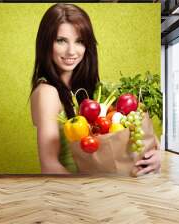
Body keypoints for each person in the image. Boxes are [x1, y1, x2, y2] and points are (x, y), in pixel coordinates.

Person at [30, 3, 161, 175]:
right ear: (46, 43)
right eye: (61, 40)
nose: (71, 51)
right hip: (73, 194)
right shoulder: (47, 92)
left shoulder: (84, 91)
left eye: (79, 41)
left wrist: (158, 155)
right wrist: (89, 194)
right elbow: (49, 166)